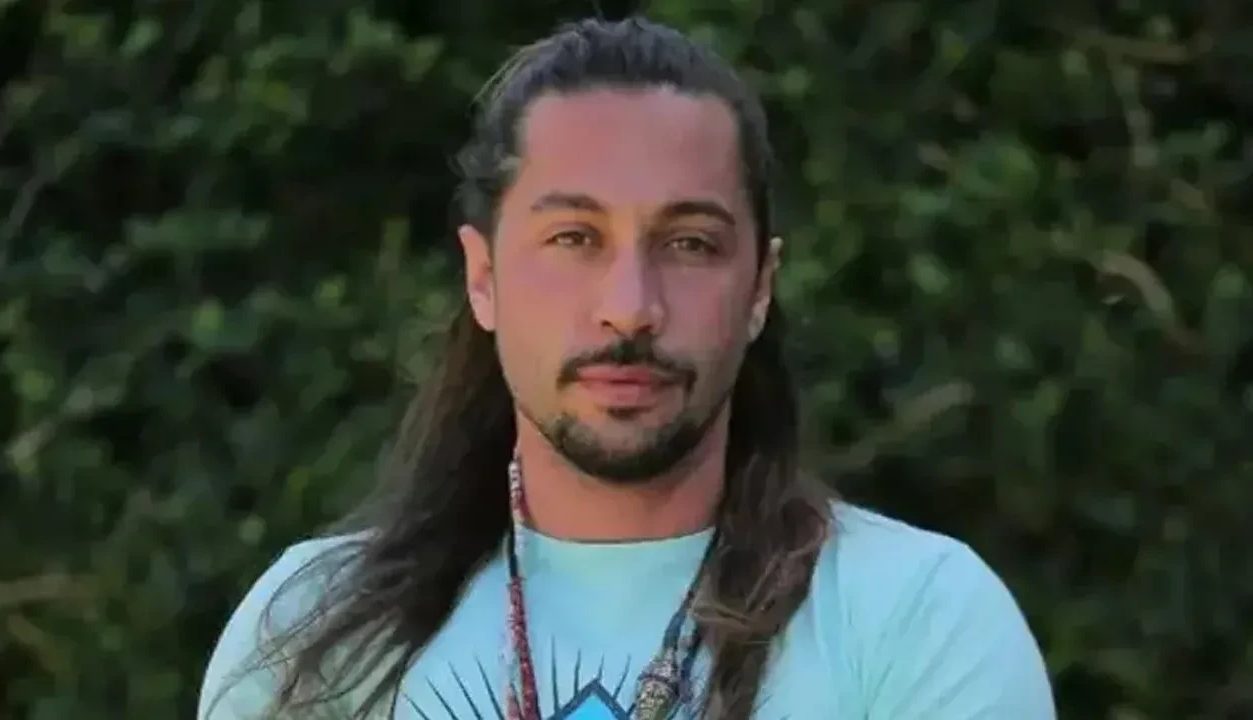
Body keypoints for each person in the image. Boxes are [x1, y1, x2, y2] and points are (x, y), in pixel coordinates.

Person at [197, 16, 1056, 720]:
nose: (631, 306)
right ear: (483, 277)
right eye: (575, 238)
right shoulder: (311, 640)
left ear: (760, 288)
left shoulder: (918, 619)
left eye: (690, 244)